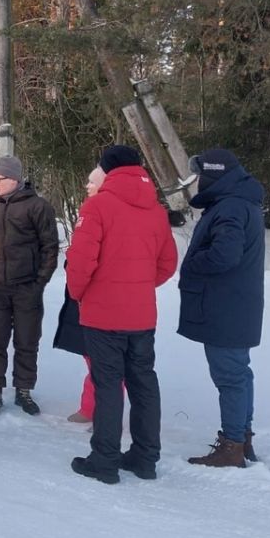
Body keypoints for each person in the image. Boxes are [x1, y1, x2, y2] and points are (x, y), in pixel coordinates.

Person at [66, 145, 178, 484]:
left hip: (103, 314)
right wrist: (139, 285)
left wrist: (80, 293)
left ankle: (104, 460)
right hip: (142, 314)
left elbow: (81, 262)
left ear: (108, 169)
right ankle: (145, 458)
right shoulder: (156, 210)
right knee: (144, 382)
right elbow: (167, 264)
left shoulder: (97, 205)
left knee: (109, 384)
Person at [180, 148, 265, 468]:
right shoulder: (240, 202)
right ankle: (242, 440)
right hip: (236, 304)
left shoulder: (230, 207)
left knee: (230, 376)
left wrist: (191, 263)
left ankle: (232, 446)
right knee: (239, 374)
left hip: (226, 307)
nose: (198, 181)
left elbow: (224, 255)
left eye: (201, 175)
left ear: (214, 174)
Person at [0, 155, 59, 416]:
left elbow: (50, 247)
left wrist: (40, 282)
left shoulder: (38, 206)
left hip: (27, 287)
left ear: (14, 179)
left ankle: (23, 390)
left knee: (27, 341)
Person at [52, 167, 123, 425]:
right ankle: (92, 407)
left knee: (104, 358)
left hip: (97, 296)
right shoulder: (91, 210)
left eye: (92, 181)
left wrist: (77, 277)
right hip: (85, 295)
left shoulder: (107, 213)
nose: (86, 185)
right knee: (92, 354)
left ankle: (96, 411)